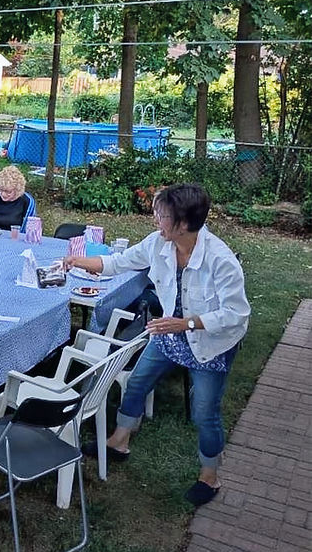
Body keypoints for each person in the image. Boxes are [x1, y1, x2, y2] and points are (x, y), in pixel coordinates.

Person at [64, 183, 249, 507]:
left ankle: (210, 475)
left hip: (210, 342)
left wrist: (185, 323)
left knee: (205, 411)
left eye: (161, 215)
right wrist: (78, 260)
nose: (155, 220)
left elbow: (236, 314)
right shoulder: (158, 244)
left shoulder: (219, 259)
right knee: (136, 382)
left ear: (183, 224)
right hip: (169, 332)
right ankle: (119, 441)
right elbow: (117, 263)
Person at [0, 165, 35, 232]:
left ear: (17, 189)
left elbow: (29, 229)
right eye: (1, 190)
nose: (3, 194)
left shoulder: (27, 201)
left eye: (8, 192)